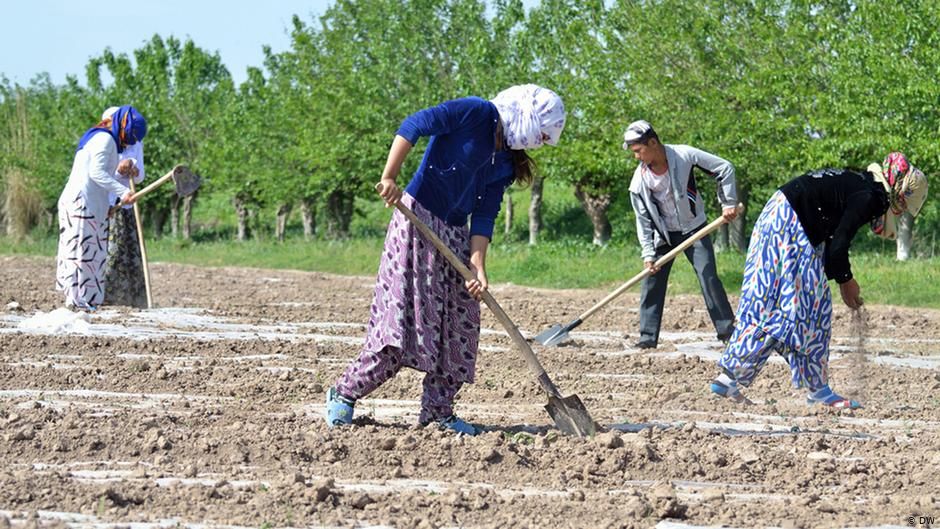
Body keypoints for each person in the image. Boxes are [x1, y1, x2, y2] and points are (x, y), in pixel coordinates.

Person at [325, 84, 566, 435]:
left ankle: (438, 412)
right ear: (528, 116)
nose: (537, 143)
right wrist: (389, 176)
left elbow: (485, 213)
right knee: (404, 324)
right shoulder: (475, 112)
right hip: (417, 219)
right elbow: (415, 124)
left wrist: (478, 264)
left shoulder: (506, 161)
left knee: (461, 323)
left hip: (455, 234)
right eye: (540, 134)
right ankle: (345, 393)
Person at [710, 153, 928, 408]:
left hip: (778, 217)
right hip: (790, 226)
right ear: (897, 191)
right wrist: (847, 281)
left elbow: (829, 237)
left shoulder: (860, 182)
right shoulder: (872, 197)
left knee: (771, 302)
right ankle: (817, 390)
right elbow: (839, 244)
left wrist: (835, 274)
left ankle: (730, 378)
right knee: (804, 310)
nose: (899, 212)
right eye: (901, 205)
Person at [623, 120, 738, 349]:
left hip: (695, 228)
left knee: (708, 277)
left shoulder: (684, 155)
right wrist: (648, 255)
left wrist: (728, 202)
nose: (637, 157)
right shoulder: (639, 183)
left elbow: (724, 168)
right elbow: (643, 221)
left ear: (653, 142)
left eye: (639, 151)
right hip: (663, 236)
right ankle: (647, 338)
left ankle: (728, 334)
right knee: (652, 281)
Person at [55, 106, 147, 311]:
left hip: (92, 204)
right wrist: (122, 193)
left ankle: (88, 302)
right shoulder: (104, 139)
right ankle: (75, 301)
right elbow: (96, 173)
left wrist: (108, 205)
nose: (127, 144)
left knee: (93, 254)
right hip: (81, 203)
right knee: (80, 252)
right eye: (128, 139)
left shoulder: (107, 140)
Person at [100, 106, 148, 308]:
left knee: (129, 255)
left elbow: (141, 175)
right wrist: (119, 169)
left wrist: (134, 170)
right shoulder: (103, 140)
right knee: (110, 252)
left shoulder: (136, 141)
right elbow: (98, 173)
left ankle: (133, 300)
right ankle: (104, 298)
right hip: (108, 204)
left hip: (127, 207)